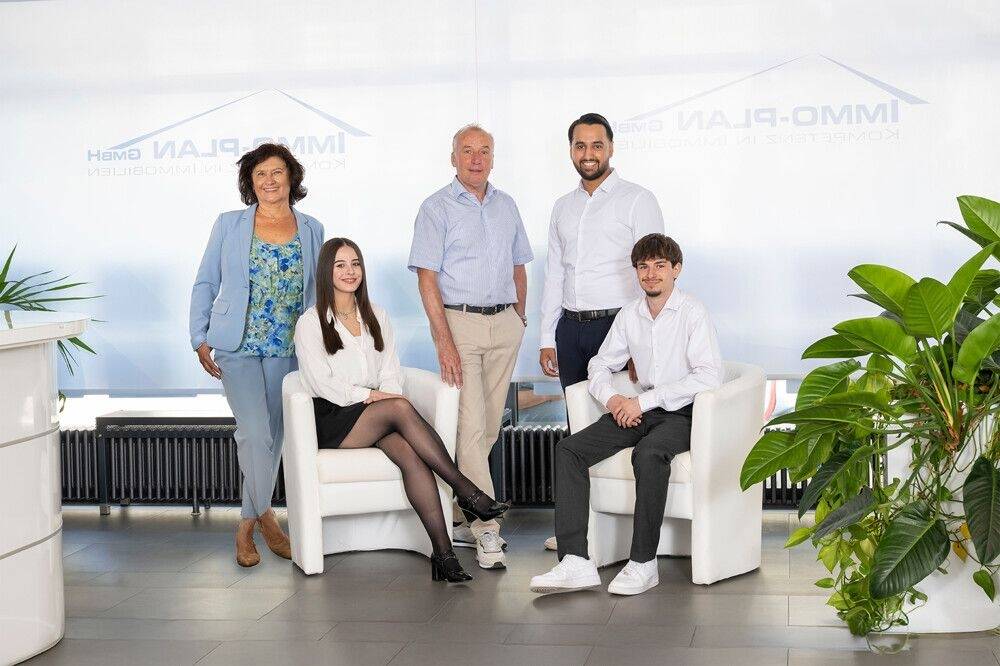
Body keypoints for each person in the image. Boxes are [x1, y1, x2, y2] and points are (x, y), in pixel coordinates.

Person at [294, 238, 510, 582]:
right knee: (399, 407)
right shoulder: (311, 322)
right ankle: (466, 491)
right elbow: (321, 383)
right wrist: (372, 396)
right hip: (333, 417)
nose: (350, 272)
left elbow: (392, 372)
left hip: (377, 413)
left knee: (411, 455)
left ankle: (444, 555)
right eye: (340, 265)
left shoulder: (376, 315)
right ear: (325, 272)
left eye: (355, 264)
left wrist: (383, 397)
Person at [529, 234, 722, 596]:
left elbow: (708, 376)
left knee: (648, 453)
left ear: (676, 269)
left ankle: (644, 563)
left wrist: (641, 403)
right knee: (569, 450)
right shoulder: (630, 314)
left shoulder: (693, 312)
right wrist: (615, 399)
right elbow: (599, 364)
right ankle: (575, 561)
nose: (651, 274)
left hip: (683, 414)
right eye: (643, 267)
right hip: (637, 409)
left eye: (660, 266)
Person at [190, 143, 324, 567]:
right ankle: (258, 523)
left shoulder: (312, 228)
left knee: (275, 437)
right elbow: (205, 281)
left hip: (290, 348)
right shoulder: (228, 225)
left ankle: (253, 520)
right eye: (260, 173)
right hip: (238, 346)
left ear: (291, 178)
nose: (269, 180)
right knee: (254, 434)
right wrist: (198, 337)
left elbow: (317, 291)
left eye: (277, 172)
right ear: (250, 181)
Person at [539, 112, 665, 552]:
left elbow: (652, 272)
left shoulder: (637, 200)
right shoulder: (562, 207)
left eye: (597, 145)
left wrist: (641, 341)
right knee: (579, 429)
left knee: (629, 421)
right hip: (571, 329)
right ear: (571, 151)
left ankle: (629, 527)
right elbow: (555, 274)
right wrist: (547, 336)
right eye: (580, 145)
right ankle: (579, 529)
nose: (588, 153)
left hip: (619, 326)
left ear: (611, 148)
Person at [408, 124, 533, 569]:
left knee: (488, 427)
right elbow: (427, 279)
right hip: (459, 323)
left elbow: (519, 266)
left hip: (505, 324)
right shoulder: (435, 207)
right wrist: (443, 339)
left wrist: (520, 317)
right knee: (472, 428)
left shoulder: (507, 205)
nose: (476, 159)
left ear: (493, 158)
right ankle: (486, 529)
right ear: (453, 158)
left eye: (484, 151)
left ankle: (462, 512)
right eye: (467, 151)